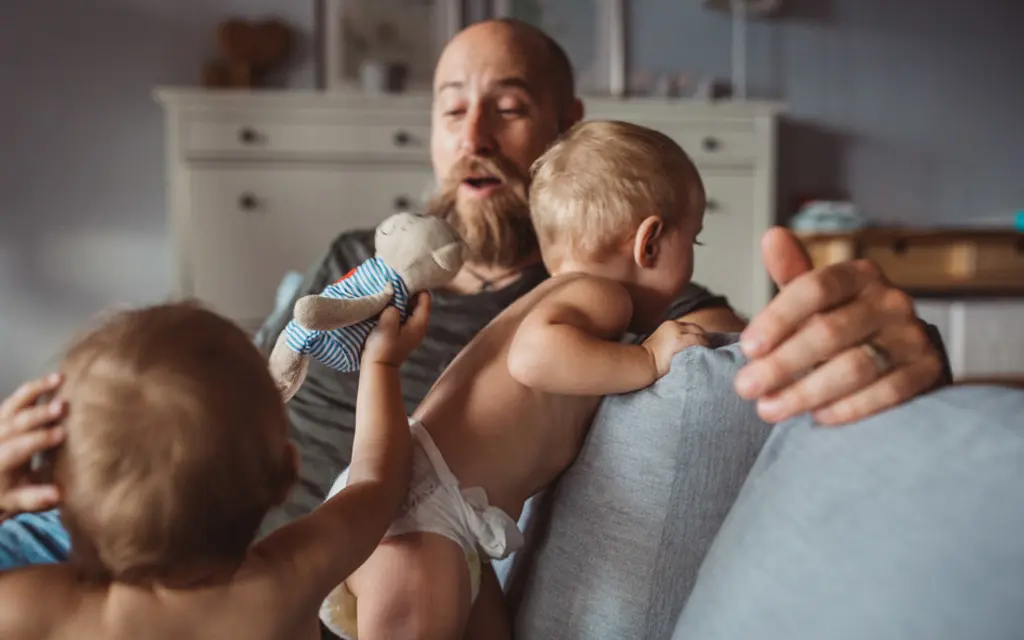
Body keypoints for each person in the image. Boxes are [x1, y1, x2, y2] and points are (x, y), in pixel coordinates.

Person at [0, 17, 947, 598]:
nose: (475, 136)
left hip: (307, 580)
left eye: (510, 105)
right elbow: (244, 388)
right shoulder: (357, 261)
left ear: (566, 127)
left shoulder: (616, 296)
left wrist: (888, 350)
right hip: (170, 534)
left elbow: (762, 356)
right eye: (454, 109)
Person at [319, 120, 711, 639]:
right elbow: (535, 357)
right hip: (423, 514)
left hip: (444, 516)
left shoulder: (558, 296)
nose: (693, 263)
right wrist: (650, 360)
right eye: (695, 241)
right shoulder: (601, 296)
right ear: (650, 243)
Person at [0, 298, 429, 640]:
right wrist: (382, 365)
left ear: (52, 494)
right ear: (286, 474)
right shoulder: (290, 580)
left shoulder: (37, 607)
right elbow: (377, 482)